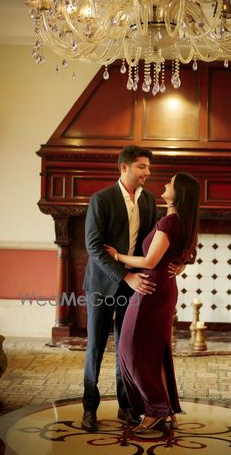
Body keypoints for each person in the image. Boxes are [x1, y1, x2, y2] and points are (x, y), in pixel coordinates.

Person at [105, 171, 200, 433]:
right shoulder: (184, 221)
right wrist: (180, 264)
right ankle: (165, 408)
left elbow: (149, 261)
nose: (166, 184)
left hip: (150, 290)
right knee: (154, 352)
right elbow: (189, 254)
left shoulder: (170, 222)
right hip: (164, 289)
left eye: (171, 183)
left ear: (179, 194)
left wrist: (117, 256)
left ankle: (155, 410)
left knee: (131, 349)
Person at [81, 145, 158, 432]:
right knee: (95, 347)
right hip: (102, 285)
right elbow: (94, 247)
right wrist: (125, 276)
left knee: (126, 349)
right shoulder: (101, 199)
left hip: (132, 287)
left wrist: (176, 263)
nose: (147, 172)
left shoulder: (149, 200)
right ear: (124, 167)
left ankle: (126, 407)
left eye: (148, 167)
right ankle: (89, 408)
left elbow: (151, 244)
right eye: (141, 166)